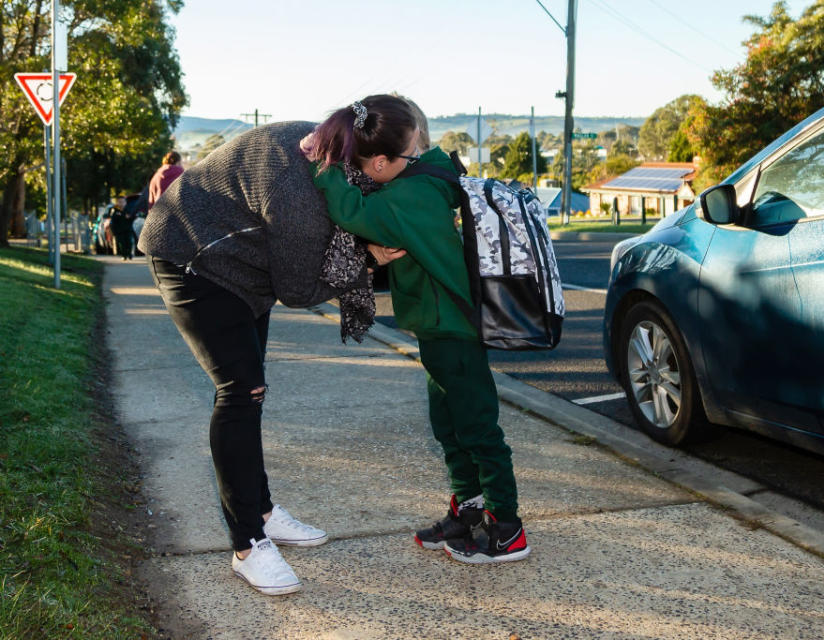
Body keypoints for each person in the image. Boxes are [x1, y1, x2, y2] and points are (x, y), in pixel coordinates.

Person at [137, 120, 406, 596]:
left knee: (252, 393)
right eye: (408, 159)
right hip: (192, 256)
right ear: (376, 162)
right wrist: (367, 261)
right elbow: (299, 290)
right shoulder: (300, 193)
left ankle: (260, 510)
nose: (412, 167)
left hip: (241, 262)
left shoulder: (328, 145)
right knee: (241, 392)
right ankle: (247, 546)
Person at [305, 95, 530, 564]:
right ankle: (469, 510)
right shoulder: (429, 176)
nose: (361, 176)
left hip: (454, 329)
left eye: (364, 167)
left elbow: (350, 210)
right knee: (449, 425)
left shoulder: (405, 196)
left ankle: (507, 528)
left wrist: (323, 165)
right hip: (440, 328)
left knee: (477, 428)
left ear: (384, 161)